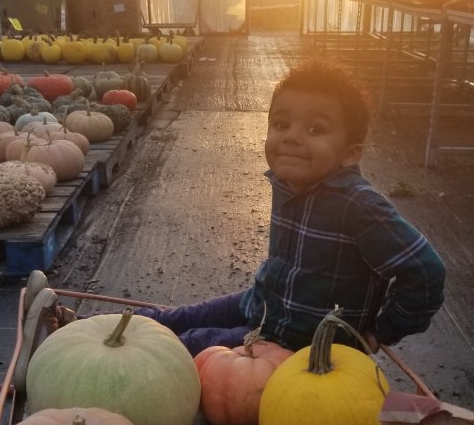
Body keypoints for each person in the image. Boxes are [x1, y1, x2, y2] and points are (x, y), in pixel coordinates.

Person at [137, 58, 445, 356]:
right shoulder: (289, 182)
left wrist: (382, 331)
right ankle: (106, 329)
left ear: (350, 153)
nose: (292, 138)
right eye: (281, 124)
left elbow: (425, 270)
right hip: (264, 303)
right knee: (176, 319)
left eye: (315, 130)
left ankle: (135, 353)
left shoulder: (358, 205)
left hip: (295, 342)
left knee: (187, 345)